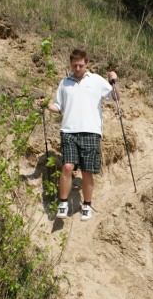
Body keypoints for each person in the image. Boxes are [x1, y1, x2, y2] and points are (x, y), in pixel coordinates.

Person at [40, 49, 118, 221]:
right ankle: (63, 203)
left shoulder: (96, 80)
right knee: (67, 166)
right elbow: (58, 107)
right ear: (70, 64)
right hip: (68, 131)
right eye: (74, 65)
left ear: (86, 63)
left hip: (91, 131)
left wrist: (114, 81)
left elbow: (115, 97)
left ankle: (87, 205)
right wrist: (46, 104)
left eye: (80, 65)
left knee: (87, 171)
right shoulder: (64, 83)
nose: (77, 68)